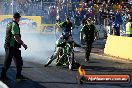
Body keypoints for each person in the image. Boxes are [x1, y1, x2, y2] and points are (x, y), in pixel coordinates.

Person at [0, 12, 28, 81]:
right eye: (19, 18)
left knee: (19, 61)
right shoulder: (14, 25)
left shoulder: (9, 23)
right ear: (17, 18)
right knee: (8, 62)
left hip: (12, 46)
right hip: (11, 46)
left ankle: (18, 76)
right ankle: (3, 77)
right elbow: (16, 37)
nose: (19, 19)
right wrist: (23, 44)